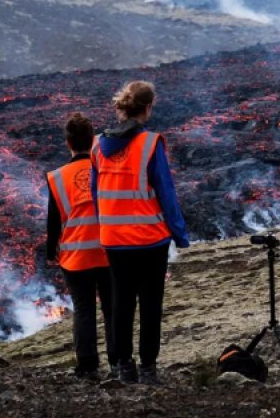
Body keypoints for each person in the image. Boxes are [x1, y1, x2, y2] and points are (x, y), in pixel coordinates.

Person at [90, 81, 190, 385]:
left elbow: (96, 193)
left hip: (114, 239)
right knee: (150, 304)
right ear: (148, 107)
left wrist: (106, 226)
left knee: (121, 303)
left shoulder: (96, 145)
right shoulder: (150, 143)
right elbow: (165, 191)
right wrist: (180, 234)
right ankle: (148, 368)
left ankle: (124, 366)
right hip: (149, 239)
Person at [45, 112, 115, 380]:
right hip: (109, 250)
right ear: (93, 140)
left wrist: (51, 251)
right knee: (112, 308)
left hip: (76, 256)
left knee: (84, 309)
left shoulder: (57, 177)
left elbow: (54, 221)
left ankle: (87, 365)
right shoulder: (106, 169)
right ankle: (118, 360)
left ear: (68, 143)